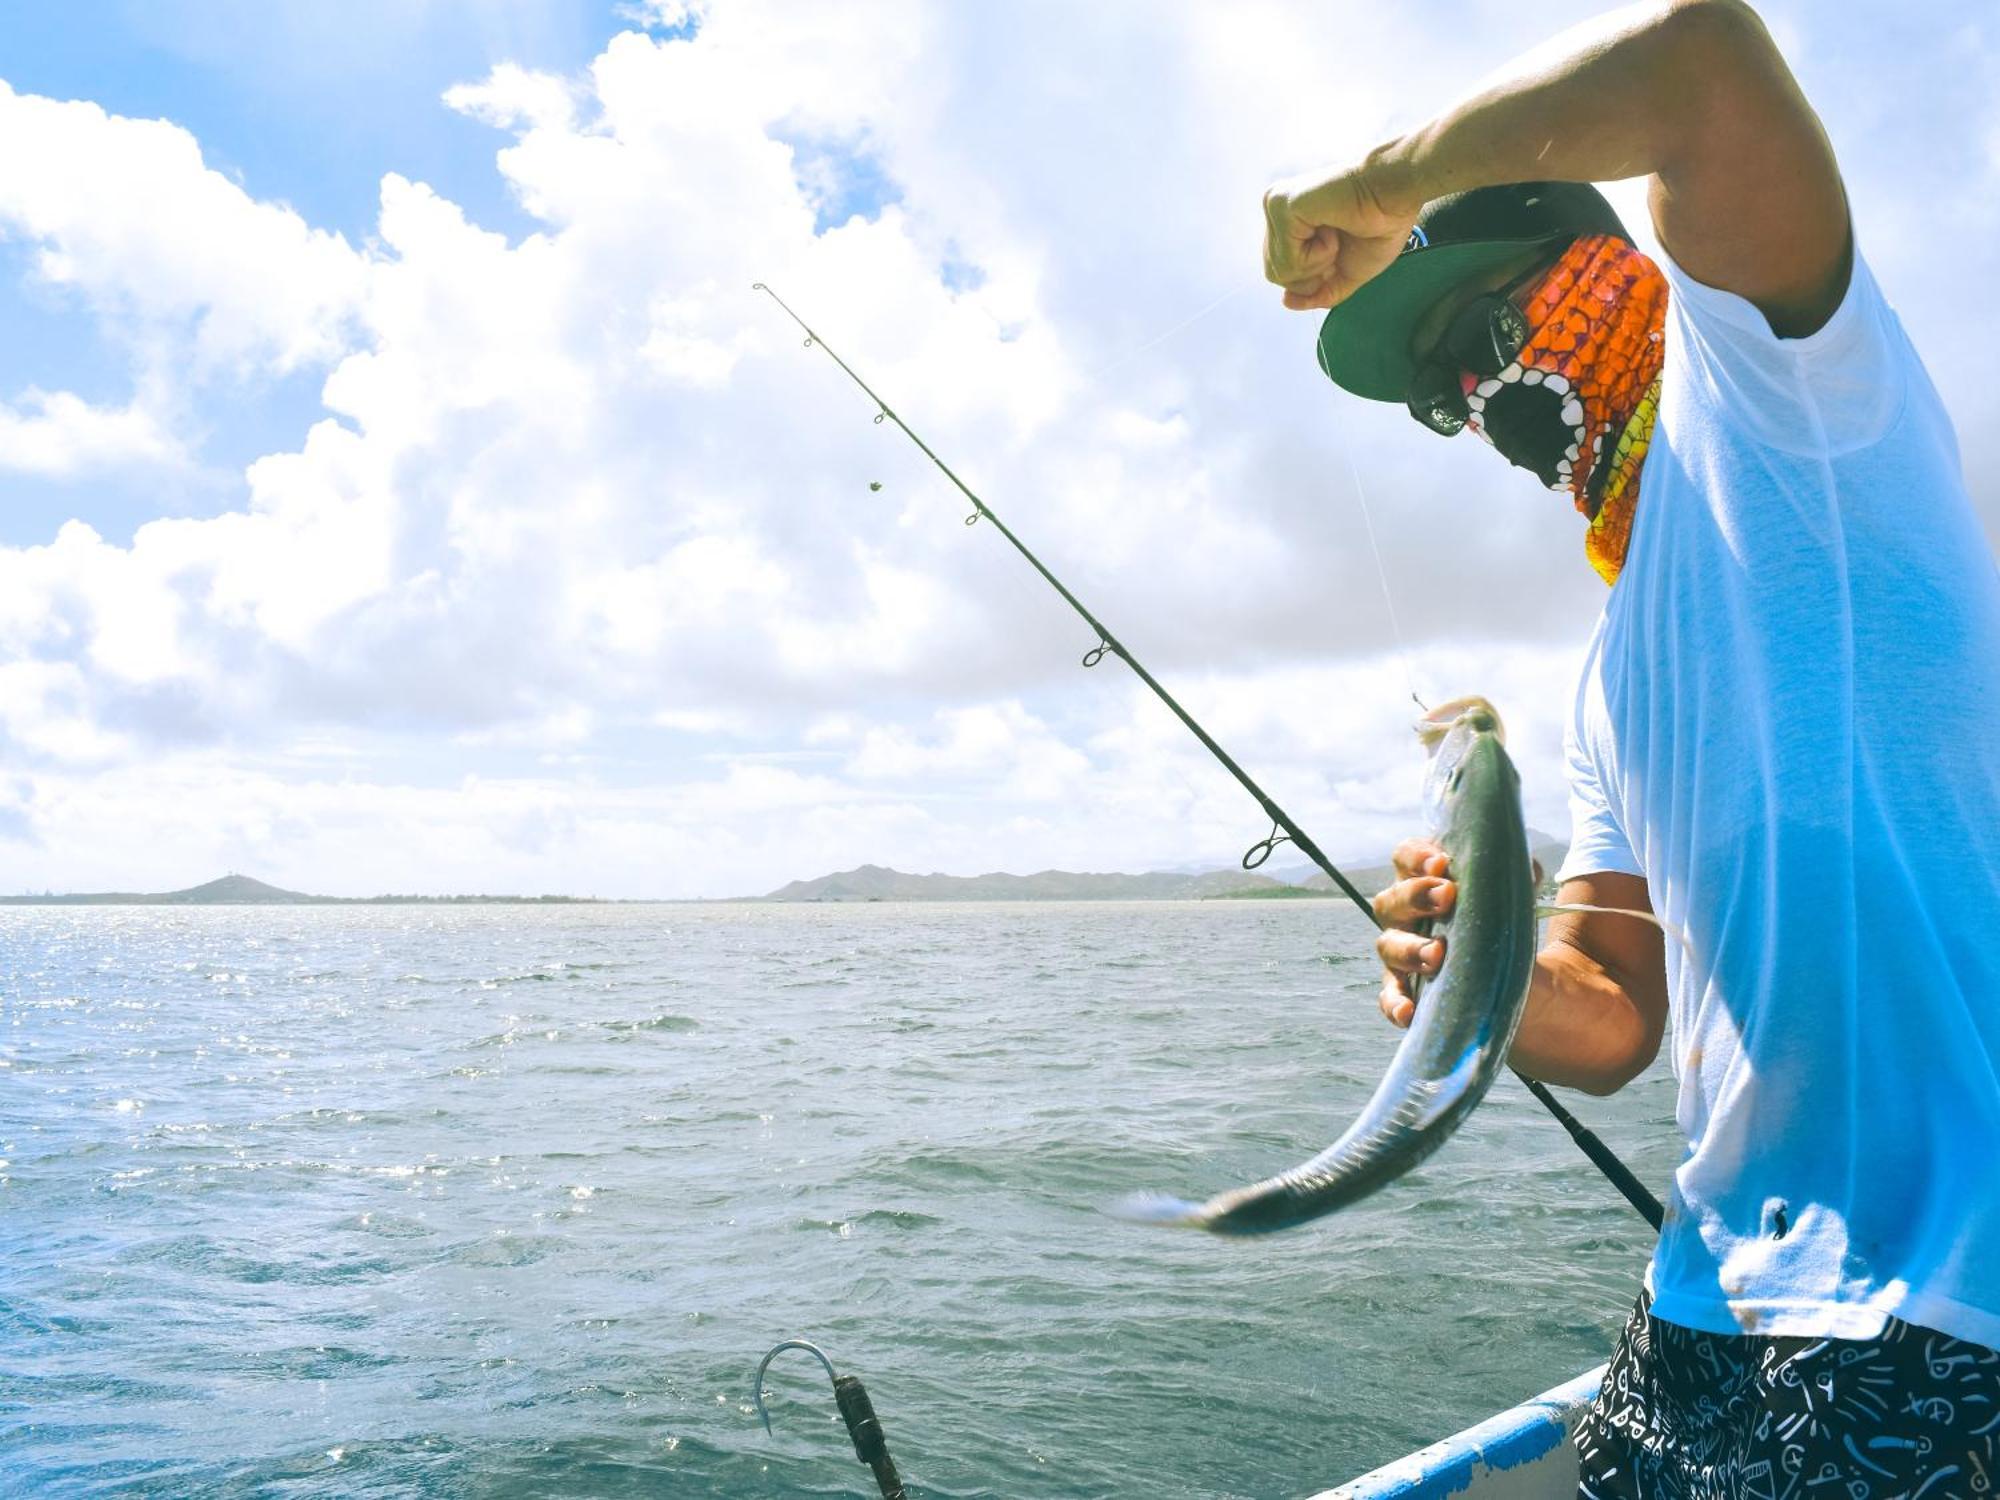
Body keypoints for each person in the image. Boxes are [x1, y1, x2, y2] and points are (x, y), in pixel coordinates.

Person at [1261, 1, 2000, 1494]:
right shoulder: (1607, 681)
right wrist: (1479, 967)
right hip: (1701, 1312)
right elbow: (1608, 1021)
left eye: (1485, 332)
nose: (1475, 399)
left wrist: (1386, 184)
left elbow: (1701, 62)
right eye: (1440, 394)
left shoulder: (1794, 400)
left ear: (1611, 271)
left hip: (1940, 1309)